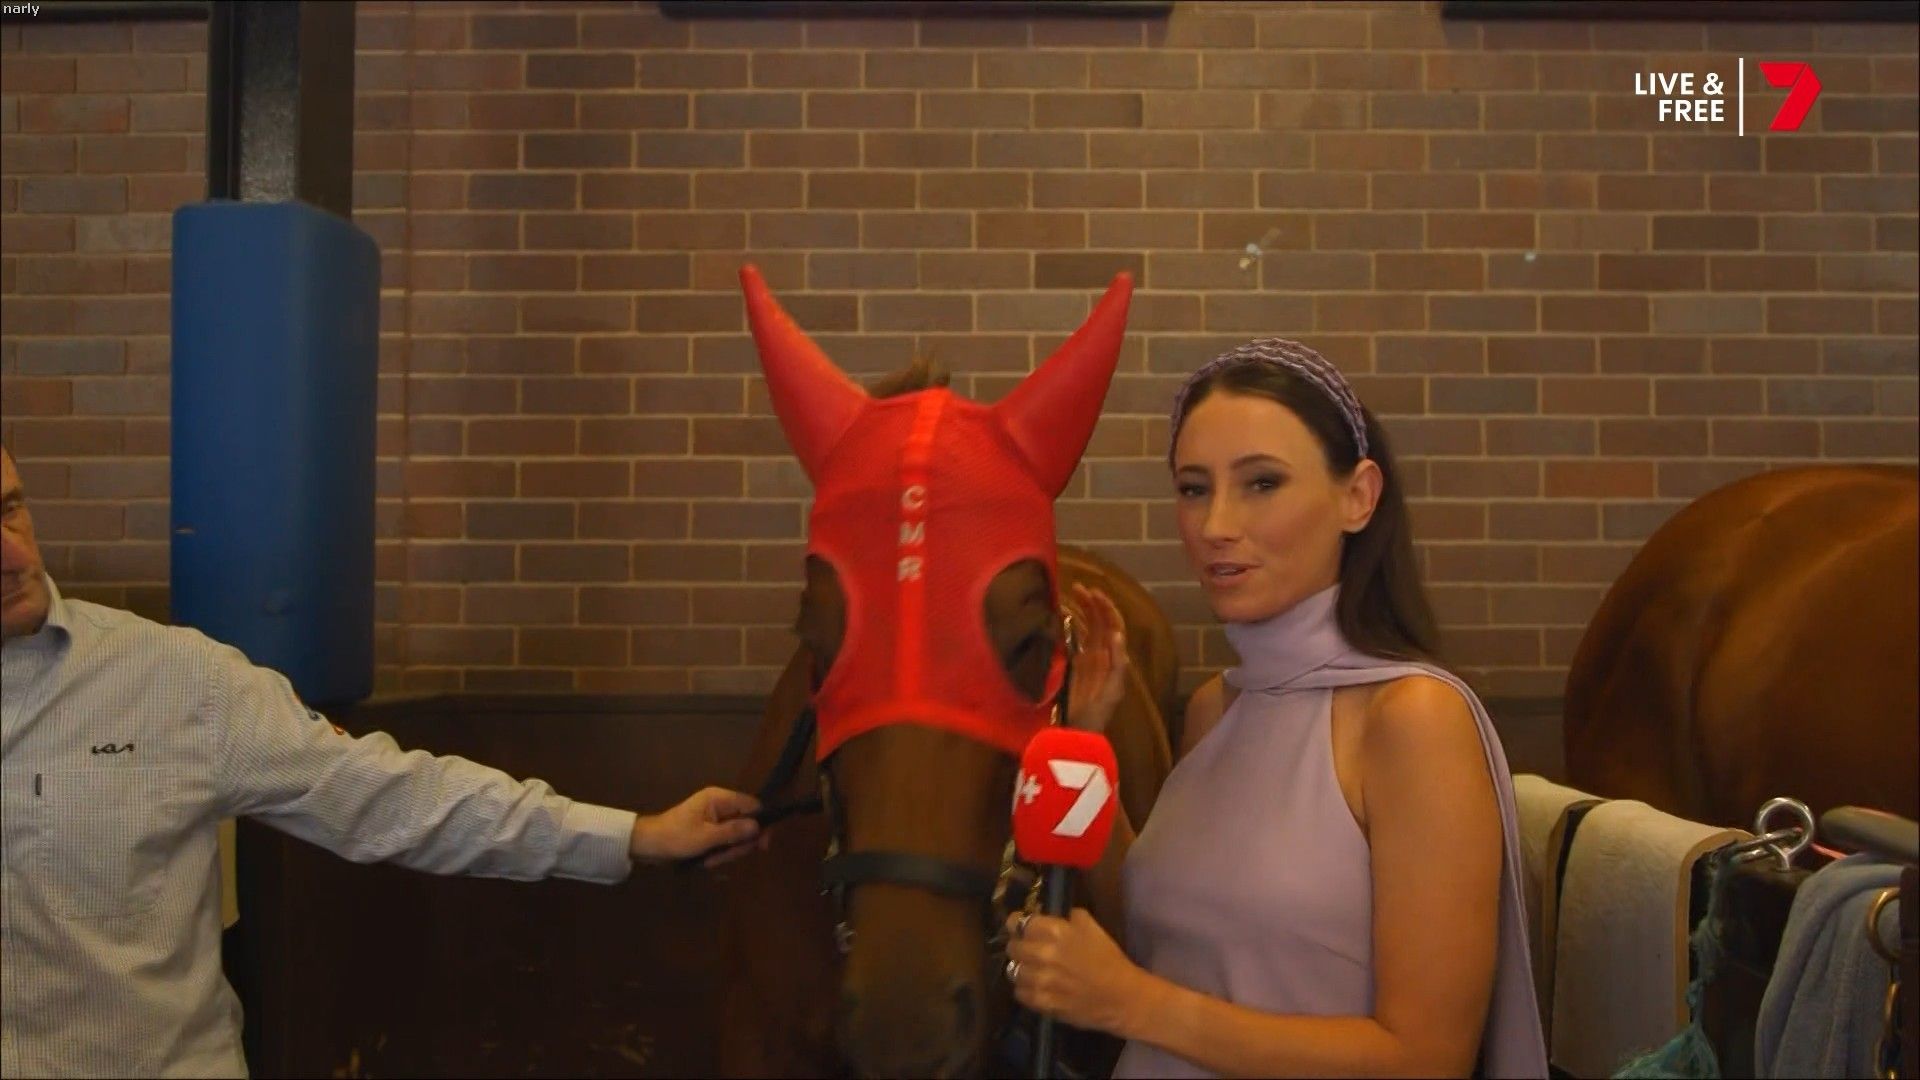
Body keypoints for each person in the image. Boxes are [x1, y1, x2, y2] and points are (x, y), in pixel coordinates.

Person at [0, 444, 764, 1078]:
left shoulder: (175, 682)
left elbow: (398, 799)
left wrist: (635, 835)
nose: (14, 554)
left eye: (9, 509)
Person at [1004, 339, 1549, 1077]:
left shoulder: (1412, 719)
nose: (1216, 525)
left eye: (1262, 482)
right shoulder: (1217, 706)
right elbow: (1178, 940)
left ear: (1359, 496)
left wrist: (1132, 1004)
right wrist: (1082, 746)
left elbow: (1426, 1059)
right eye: (1193, 488)